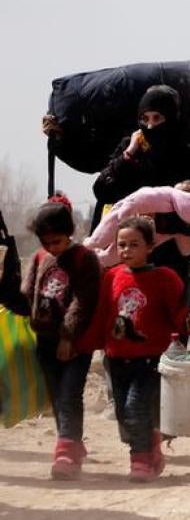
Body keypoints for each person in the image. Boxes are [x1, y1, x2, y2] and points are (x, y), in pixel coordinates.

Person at [91, 216, 189, 482]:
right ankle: (152, 445)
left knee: (136, 408)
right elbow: (102, 315)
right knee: (124, 413)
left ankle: (141, 460)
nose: (126, 250)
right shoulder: (111, 277)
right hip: (116, 358)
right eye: (122, 245)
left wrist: (188, 331)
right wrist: (88, 345)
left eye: (134, 244)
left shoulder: (164, 278)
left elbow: (180, 312)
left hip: (149, 360)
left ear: (150, 247)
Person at [14, 200, 101, 479]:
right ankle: (73, 442)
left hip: (75, 342)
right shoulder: (40, 258)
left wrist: (68, 337)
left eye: (58, 241)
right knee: (57, 396)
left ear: (70, 232)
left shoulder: (84, 259)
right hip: (45, 341)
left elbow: (83, 302)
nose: (53, 247)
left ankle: (65, 454)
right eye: (47, 242)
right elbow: (28, 294)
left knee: (69, 395)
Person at [90, 85, 190, 231]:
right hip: (133, 239)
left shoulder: (186, 148)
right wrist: (128, 155)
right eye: (145, 118)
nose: (150, 126)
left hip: (176, 241)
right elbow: (102, 190)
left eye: (157, 118)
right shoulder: (132, 147)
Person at [83, 181, 190, 268]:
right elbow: (135, 201)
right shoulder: (157, 198)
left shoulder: (182, 223)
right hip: (123, 217)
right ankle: (84, 251)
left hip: (144, 234)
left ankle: (92, 259)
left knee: (109, 259)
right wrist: (124, 222)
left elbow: (186, 248)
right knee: (97, 241)